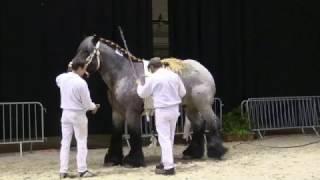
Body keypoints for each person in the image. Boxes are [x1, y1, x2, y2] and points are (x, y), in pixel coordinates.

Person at [136, 59, 186, 175]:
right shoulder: (174, 75)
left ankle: (169, 167)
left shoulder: (153, 78)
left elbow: (142, 94)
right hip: (174, 109)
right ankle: (165, 161)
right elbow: (183, 92)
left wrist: (139, 84)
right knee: (170, 138)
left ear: (152, 67)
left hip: (162, 110)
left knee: (164, 139)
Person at [56, 61, 100, 179]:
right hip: (78, 114)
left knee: (65, 143)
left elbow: (58, 79)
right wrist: (94, 107)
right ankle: (82, 170)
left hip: (65, 113)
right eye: (84, 68)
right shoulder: (81, 83)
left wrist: (71, 68)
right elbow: (87, 103)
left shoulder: (62, 78)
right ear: (80, 68)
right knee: (81, 142)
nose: (85, 71)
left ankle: (63, 170)